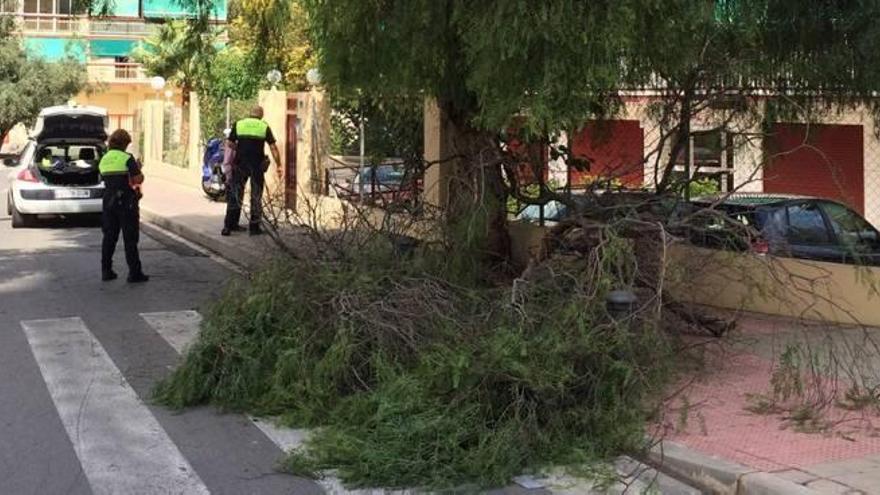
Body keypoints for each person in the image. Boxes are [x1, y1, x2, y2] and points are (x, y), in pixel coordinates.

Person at [222, 106, 282, 236]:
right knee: (256, 196)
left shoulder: (239, 124)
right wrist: (279, 165)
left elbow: (230, 143)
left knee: (235, 194)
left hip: (240, 165)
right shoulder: (263, 126)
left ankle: (229, 226)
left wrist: (241, 149)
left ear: (249, 114)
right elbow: (273, 147)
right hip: (256, 166)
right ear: (261, 115)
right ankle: (254, 228)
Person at [99, 129, 148, 283]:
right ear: (125, 143)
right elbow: (137, 179)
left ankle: (106, 271)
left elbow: (103, 177)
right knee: (130, 238)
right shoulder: (127, 158)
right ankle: (134, 273)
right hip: (126, 202)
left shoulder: (104, 159)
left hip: (108, 201)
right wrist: (139, 167)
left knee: (109, 237)